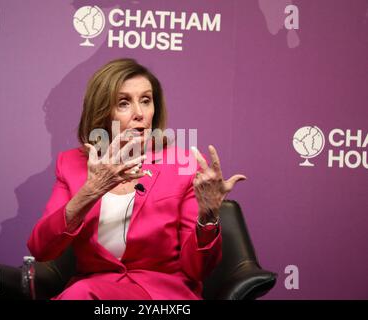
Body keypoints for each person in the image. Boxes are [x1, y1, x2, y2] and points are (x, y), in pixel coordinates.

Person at [27, 58, 247, 300]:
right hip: (95, 291)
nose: (139, 114)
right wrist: (90, 191)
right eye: (124, 103)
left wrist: (208, 217)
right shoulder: (71, 164)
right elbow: (41, 249)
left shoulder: (184, 164)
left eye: (146, 100)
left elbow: (198, 269)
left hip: (163, 295)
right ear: (102, 112)